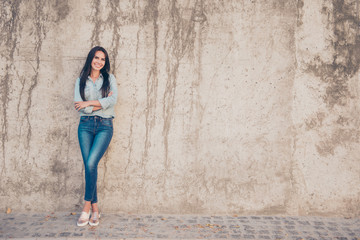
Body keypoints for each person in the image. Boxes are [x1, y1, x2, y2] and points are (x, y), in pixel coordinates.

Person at [74, 46, 118, 226]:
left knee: (91, 163)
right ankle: (95, 209)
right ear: (91, 59)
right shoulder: (81, 80)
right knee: (90, 166)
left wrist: (89, 103)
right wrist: (101, 103)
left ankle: (86, 207)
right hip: (84, 126)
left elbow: (113, 101)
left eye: (103, 59)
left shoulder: (110, 78)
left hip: (104, 126)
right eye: (96, 58)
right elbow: (78, 105)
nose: (99, 61)